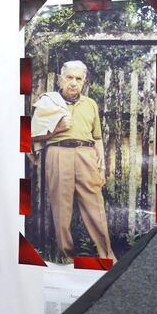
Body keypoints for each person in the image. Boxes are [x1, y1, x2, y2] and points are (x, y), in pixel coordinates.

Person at [31, 61, 116, 263]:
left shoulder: (90, 104)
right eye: (69, 77)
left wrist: (101, 165)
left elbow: (97, 138)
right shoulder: (48, 103)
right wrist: (56, 129)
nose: (73, 83)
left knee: (95, 205)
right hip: (58, 153)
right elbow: (30, 135)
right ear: (61, 79)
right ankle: (67, 258)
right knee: (62, 208)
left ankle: (107, 257)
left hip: (86, 153)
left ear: (84, 81)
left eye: (78, 78)